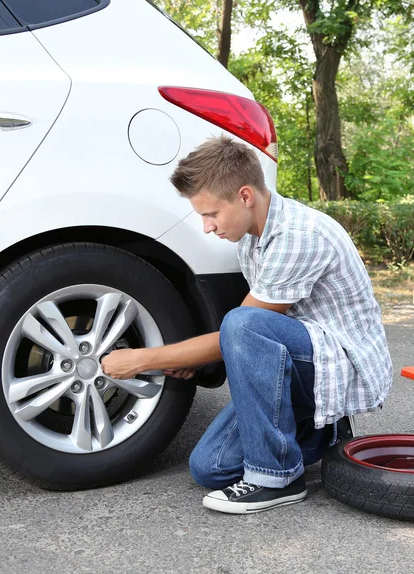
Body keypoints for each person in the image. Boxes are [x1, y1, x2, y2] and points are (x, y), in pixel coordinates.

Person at [101, 136, 393, 515]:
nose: (207, 227)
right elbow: (252, 335)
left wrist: (142, 360)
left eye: (211, 214)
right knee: (210, 467)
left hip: (342, 363)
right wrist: (197, 358)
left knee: (241, 323)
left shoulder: (297, 237)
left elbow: (243, 330)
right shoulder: (252, 239)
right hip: (302, 355)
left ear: (244, 196)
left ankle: (277, 478)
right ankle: (324, 428)